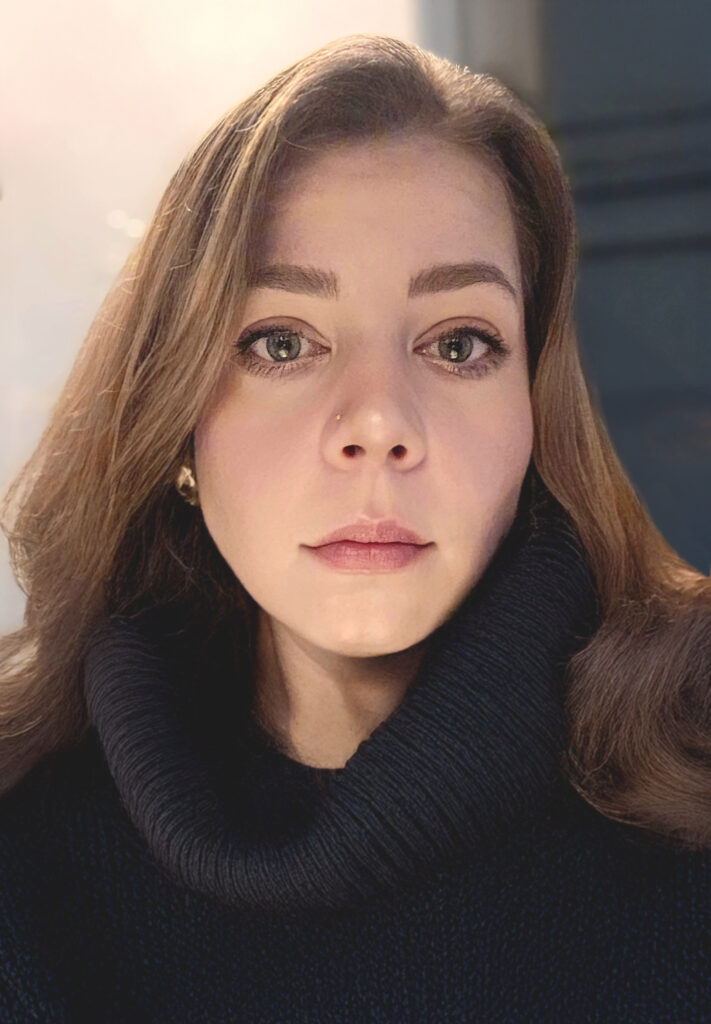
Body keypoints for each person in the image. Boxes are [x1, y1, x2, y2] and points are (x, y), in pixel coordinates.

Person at [1, 32, 709, 1023]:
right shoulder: (25, 857)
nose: (377, 423)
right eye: (280, 342)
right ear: (176, 424)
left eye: (458, 344)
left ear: (540, 413)